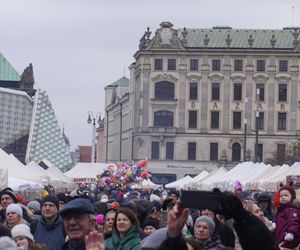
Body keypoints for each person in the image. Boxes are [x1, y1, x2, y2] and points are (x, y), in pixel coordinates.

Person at [275, 183, 300, 249]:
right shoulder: (281, 209)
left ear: (292, 196)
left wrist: (291, 233)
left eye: (286, 195)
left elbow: (294, 222)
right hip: (281, 237)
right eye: (281, 196)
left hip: (289, 238)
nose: (283, 197)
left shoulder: (292, 209)